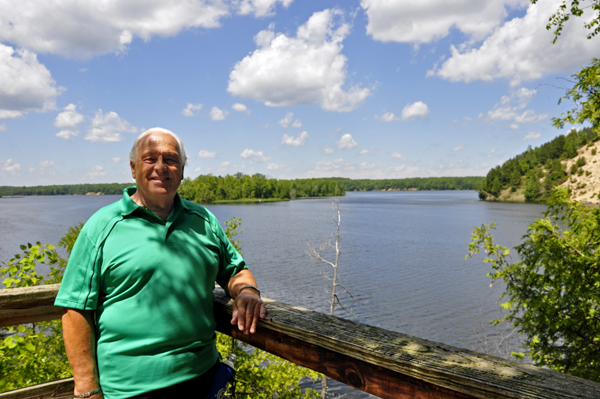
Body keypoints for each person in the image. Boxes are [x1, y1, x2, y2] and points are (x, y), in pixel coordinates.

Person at [55, 128, 266, 399]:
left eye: (170, 159)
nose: (160, 167)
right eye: (149, 159)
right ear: (133, 168)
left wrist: (247, 292)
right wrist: (87, 389)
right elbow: (75, 310)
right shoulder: (101, 226)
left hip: (203, 376)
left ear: (181, 169)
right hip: (130, 389)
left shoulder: (203, 221)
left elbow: (235, 270)